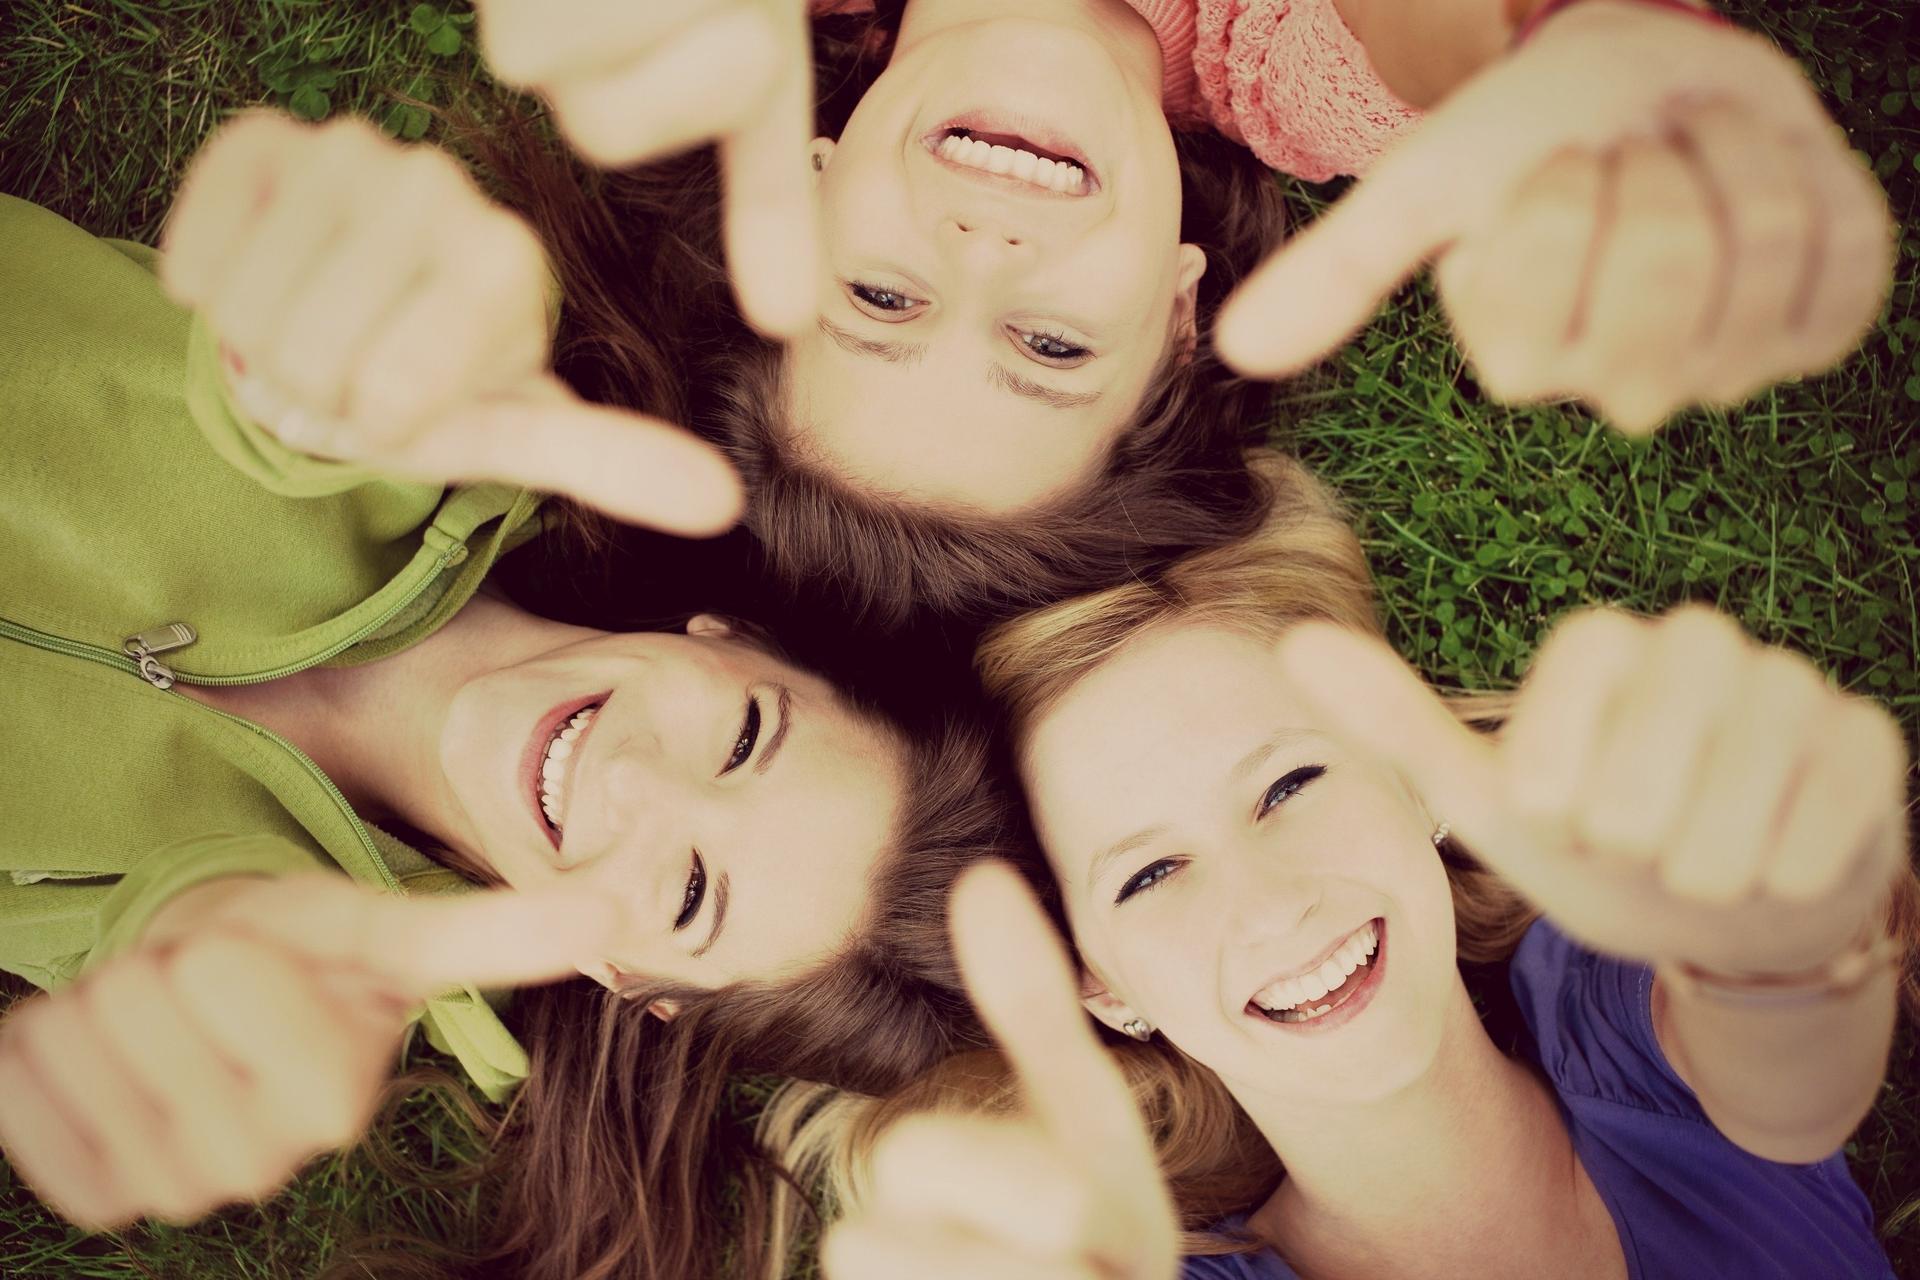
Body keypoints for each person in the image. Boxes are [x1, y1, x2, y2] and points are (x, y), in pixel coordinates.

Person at [0, 113, 1014, 1280]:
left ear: (631, 982)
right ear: (734, 638)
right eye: (743, 736)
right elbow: (313, 387)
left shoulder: (308, 973)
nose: (633, 777)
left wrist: (200, 964)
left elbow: (164, 940)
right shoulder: (463, 432)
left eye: (691, 889)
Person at [794, 456, 1916, 1280]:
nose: (1270, 903)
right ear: (1099, 983)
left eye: (1289, 785)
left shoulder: (1631, 1006)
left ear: (1414, 773)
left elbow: (1786, 1017)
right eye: (1149, 874)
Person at [466, 0, 1893, 626]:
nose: (984, 255)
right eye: (1050, 346)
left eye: (882, 298)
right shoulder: (1302, 68)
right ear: (1176, 313)